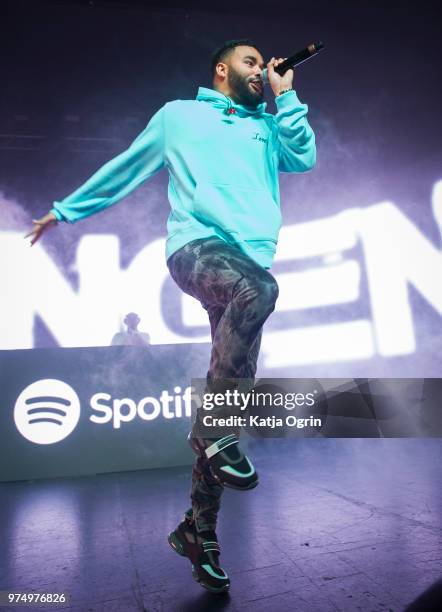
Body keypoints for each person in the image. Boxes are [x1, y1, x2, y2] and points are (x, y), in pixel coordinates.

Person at [25, 38, 316, 593]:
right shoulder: (178, 117)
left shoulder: (267, 125)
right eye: (251, 62)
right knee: (254, 310)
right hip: (197, 250)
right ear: (222, 69)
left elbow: (304, 157)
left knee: (229, 407)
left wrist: (288, 101)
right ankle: (210, 432)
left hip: (244, 274)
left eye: (266, 64)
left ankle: (197, 533)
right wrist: (63, 212)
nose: (262, 69)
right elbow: (125, 168)